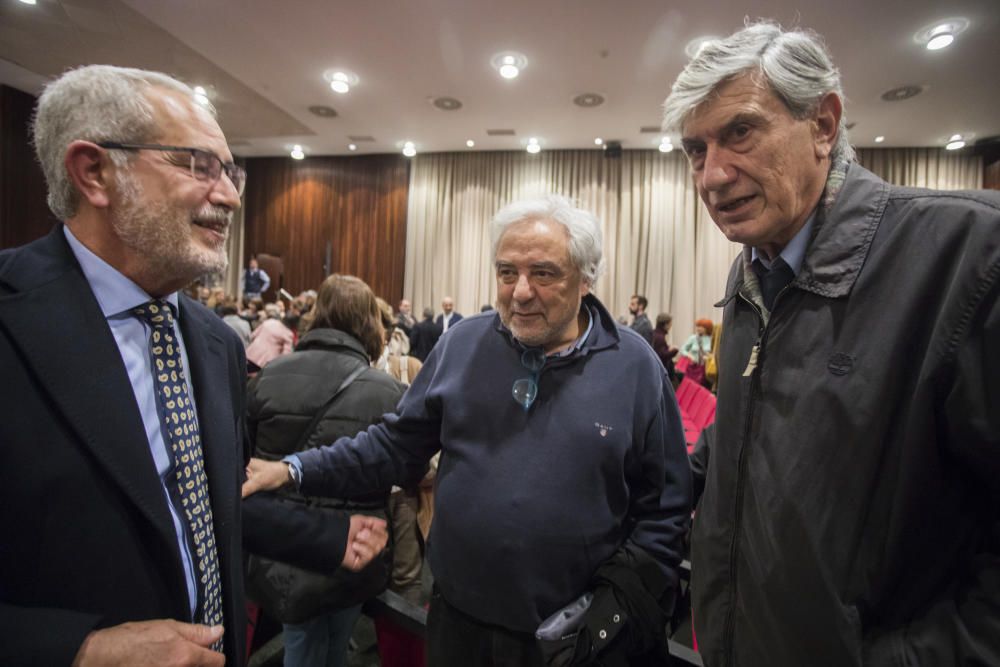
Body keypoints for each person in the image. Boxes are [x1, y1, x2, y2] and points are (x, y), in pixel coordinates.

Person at [663, 20, 1000, 666]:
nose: (711, 175)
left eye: (739, 132)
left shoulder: (973, 257)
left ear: (823, 124)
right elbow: (753, 434)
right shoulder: (750, 273)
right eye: (694, 150)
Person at [243, 194, 692, 666]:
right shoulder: (462, 344)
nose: (520, 291)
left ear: (585, 279)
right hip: (459, 626)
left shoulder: (635, 365)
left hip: (577, 639)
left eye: (543, 273)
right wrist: (293, 469)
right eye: (506, 272)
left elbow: (665, 506)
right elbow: (393, 447)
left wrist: (617, 608)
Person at [0, 64, 250, 666]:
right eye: (198, 164)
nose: (231, 195)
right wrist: (78, 650)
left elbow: (207, 517)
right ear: (95, 173)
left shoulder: (217, 344)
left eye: (230, 170)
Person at [245, 274, 401, 667]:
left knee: (304, 645)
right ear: (370, 321)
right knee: (332, 644)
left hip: (281, 545)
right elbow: (397, 471)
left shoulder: (268, 377)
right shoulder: (387, 390)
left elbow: (245, 463)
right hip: (357, 547)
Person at [651, 313, 678, 381]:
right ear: (665, 324)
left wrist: (667, 348)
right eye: (670, 324)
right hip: (660, 372)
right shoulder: (660, 337)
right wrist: (675, 350)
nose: (671, 326)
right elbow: (663, 355)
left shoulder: (654, 333)